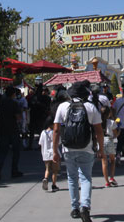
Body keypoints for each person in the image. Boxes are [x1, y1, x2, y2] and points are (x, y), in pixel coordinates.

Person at [53, 80, 104, 222]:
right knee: (86, 177)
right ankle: (85, 207)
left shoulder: (62, 107)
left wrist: (55, 150)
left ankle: (75, 208)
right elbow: (99, 130)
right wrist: (101, 149)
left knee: (72, 178)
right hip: (86, 147)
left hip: (68, 148)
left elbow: (56, 130)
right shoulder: (90, 107)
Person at [0, 87, 23, 180]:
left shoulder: (1, 104)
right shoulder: (15, 103)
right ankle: (14, 170)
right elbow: (18, 117)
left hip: (3, 130)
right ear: (13, 94)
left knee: (3, 151)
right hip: (13, 129)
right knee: (16, 151)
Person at [101, 106, 119, 188]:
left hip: (101, 141)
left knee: (104, 162)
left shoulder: (99, 123)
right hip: (109, 140)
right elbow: (115, 134)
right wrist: (119, 131)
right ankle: (112, 177)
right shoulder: (111, 122)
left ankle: (106, 181)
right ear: (109, 113)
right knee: (112, 160)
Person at [39, 117, 60, 192]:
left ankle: (46, 178)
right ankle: (54, 185)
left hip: (45, 153)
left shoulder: (43, 132)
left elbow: (40, 143)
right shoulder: (54, 132)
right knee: (55, 170)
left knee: (47, 169)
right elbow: (59, 142)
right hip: (54, 153)